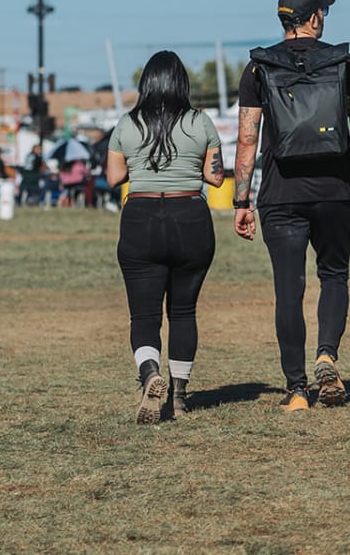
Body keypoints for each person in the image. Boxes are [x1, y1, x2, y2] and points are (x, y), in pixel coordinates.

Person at [233, 0, 350, 412]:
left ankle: (296, 391)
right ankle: (327, 355)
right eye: (323, 13)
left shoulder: (258, 69)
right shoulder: (343, 62)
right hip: (334, 189)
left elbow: (247, 140)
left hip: (280, 194)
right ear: (313, 18)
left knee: (288, 291)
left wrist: (241, 201)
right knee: (334, 275)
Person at [106, 51, 225, 423]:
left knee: (144, 315)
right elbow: (216, 177)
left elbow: (113, 177)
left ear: (146, 83)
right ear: (181, 83)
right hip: (189, 215)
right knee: (183, 311)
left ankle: (149, 375)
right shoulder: (200, 122)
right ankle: (178, 396)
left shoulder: (127, 123)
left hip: (140, 217)